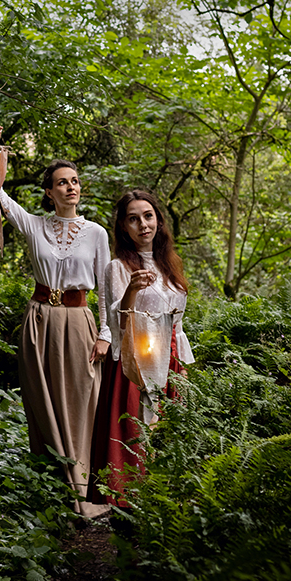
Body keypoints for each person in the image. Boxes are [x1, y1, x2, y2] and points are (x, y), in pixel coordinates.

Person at [0, 124, 111, 518]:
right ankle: (53, 494)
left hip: (79, 323)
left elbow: (105, 289)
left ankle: (82, 493)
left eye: (74, 182)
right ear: (49, 191)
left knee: (80, 403)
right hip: (39, 323)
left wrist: (106, 333)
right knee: (42, 404)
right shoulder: (35, 224)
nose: (70, 188)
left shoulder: (96, 233)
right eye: (62, 183)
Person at [89, 188, 194, 505]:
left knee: (166, 437)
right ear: (123, 227)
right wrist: (132, 290)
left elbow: (178, 322)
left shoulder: (170, 266)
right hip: (136, 363)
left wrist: (183, 368)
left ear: (158, 221)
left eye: (148, 216)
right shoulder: (117, 268)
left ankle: (163, 508)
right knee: (135, 435)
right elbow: (115, 321)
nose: (143, 224)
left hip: (171, 360)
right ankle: (129, 514)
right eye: (133, 219)